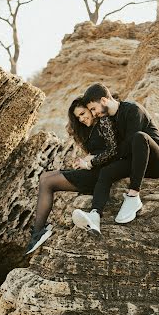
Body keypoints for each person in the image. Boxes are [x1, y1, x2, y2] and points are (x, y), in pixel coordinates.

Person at [71, 83, 159, 233]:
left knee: (139, 137)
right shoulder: (110, 120)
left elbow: (128, 146)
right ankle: (94, 215)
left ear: (104, 100)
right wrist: (97, 159)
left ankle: (133, 196)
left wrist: (96, 159)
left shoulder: (133, 109)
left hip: (158, 163)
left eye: (93, 109)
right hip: (135, 163)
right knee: (106, 172)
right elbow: (117, 150)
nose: (93, 113)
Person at [24, 96, 118, 254]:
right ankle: (39, 230)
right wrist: (84, 160)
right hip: (92, 170)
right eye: (78, 117)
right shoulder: (90, 130)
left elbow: (112, 151)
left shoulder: (103, 123)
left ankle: (38, 231)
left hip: (101, 175)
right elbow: (97, 152)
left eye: (83, 113)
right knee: (45, 177)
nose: (81, 119)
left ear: (91, 109)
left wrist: (89, 161)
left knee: (48, 182)